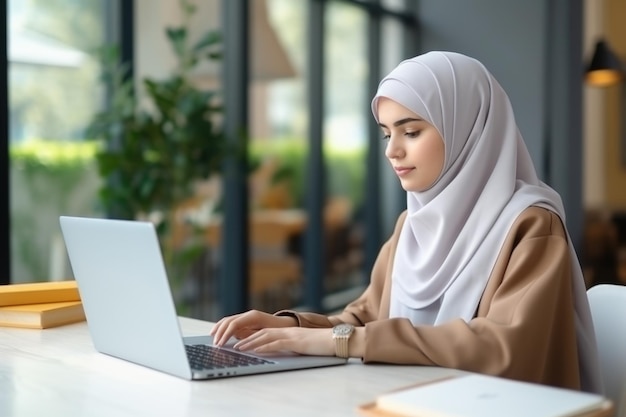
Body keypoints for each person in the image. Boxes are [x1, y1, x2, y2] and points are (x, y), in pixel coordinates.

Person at [210, 51, 602, 393]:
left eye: (411, 131)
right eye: (386, 135)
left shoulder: (531, 227)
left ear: (468, 128)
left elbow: (504, 349)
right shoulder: (411, 224)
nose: (393, 151)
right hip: (411, 400)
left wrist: (343, 341)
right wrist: (286, 328)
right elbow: (363, 320)